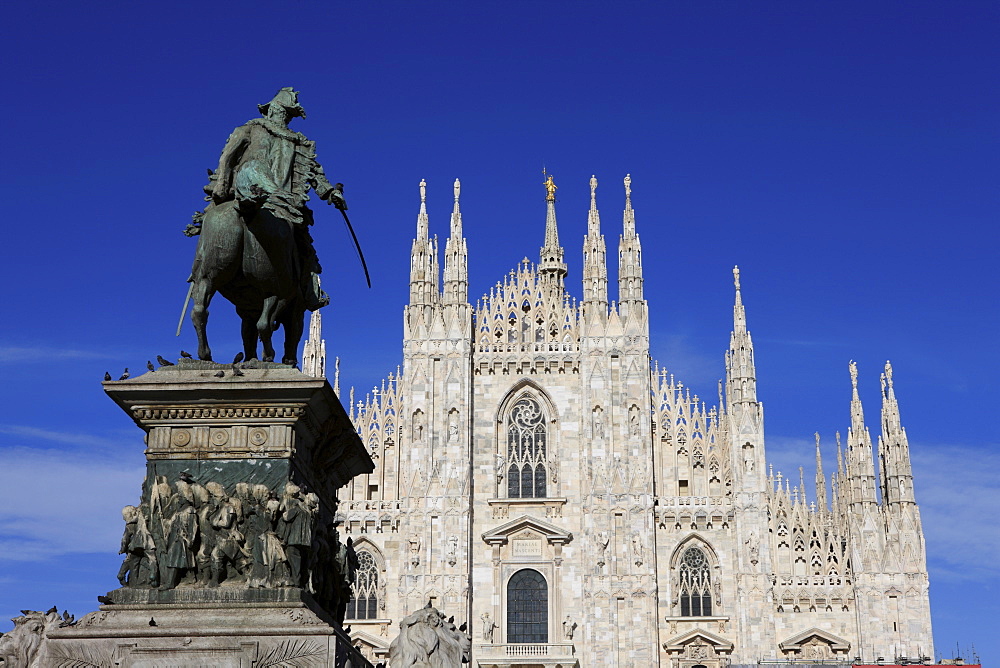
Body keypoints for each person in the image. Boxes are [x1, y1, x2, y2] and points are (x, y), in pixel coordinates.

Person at [195, 87, 347, 311]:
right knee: (303, 246)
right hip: (250, 188)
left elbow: (314, 174)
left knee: (305, 246)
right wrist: (222, 182)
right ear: (271, 109)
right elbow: (228, 154)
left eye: (284, 112)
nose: (279, 114)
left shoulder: (299, 142)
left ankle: (309, 289)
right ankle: (200, 274)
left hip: (283, 200)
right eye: (279, 110)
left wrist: (330, 192)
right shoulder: (250, 128)